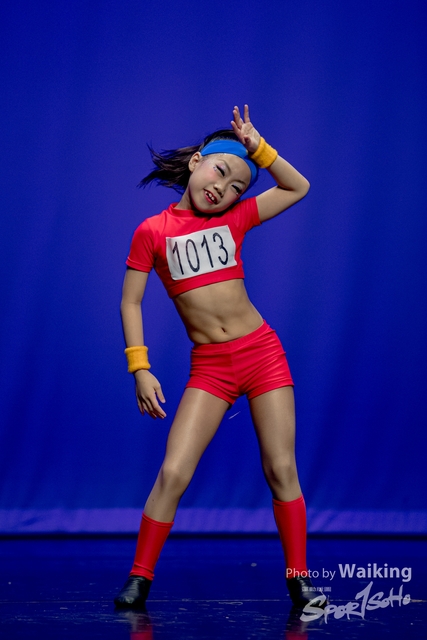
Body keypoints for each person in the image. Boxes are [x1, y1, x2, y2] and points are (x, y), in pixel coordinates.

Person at [115, 105, 322, 610]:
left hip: (263, 355)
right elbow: (131, 302)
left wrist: (259, 149)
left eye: (236, 187)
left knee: (281, 469)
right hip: (211, 368)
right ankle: (139, 578)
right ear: (196, 162)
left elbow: (298, 187)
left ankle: (299, 580)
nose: (223, 189)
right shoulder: (152, 232)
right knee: (173, 473)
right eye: (220, 172)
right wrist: (140, 367)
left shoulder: (236, 219)